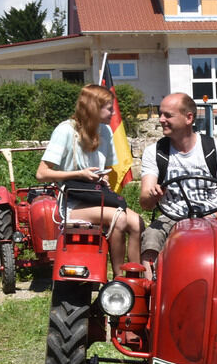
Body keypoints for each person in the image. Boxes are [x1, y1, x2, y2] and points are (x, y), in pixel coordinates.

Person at [37, 84, 143, 278]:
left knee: (136, 222)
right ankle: (119, 279)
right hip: (72, 202)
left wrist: (101, 178)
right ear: (94, 107)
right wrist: (80, 174)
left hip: (96, 196)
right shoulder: (65, 131)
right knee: (119, 218)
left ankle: (136, 278)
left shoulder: (105, 131)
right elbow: (42, 173)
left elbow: (106, 167)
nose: (113, 112)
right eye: (109, 108)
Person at [139, 92, 217, 277]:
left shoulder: (214, 149)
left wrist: (213, 217)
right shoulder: (155, 152)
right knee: (151, 237)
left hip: (213, 216)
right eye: (161, 114)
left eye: (168, 115)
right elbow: (145, 203)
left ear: (189, 118)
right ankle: (151, 291)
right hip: (172, 217)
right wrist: (153, 195)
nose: (161, 120)